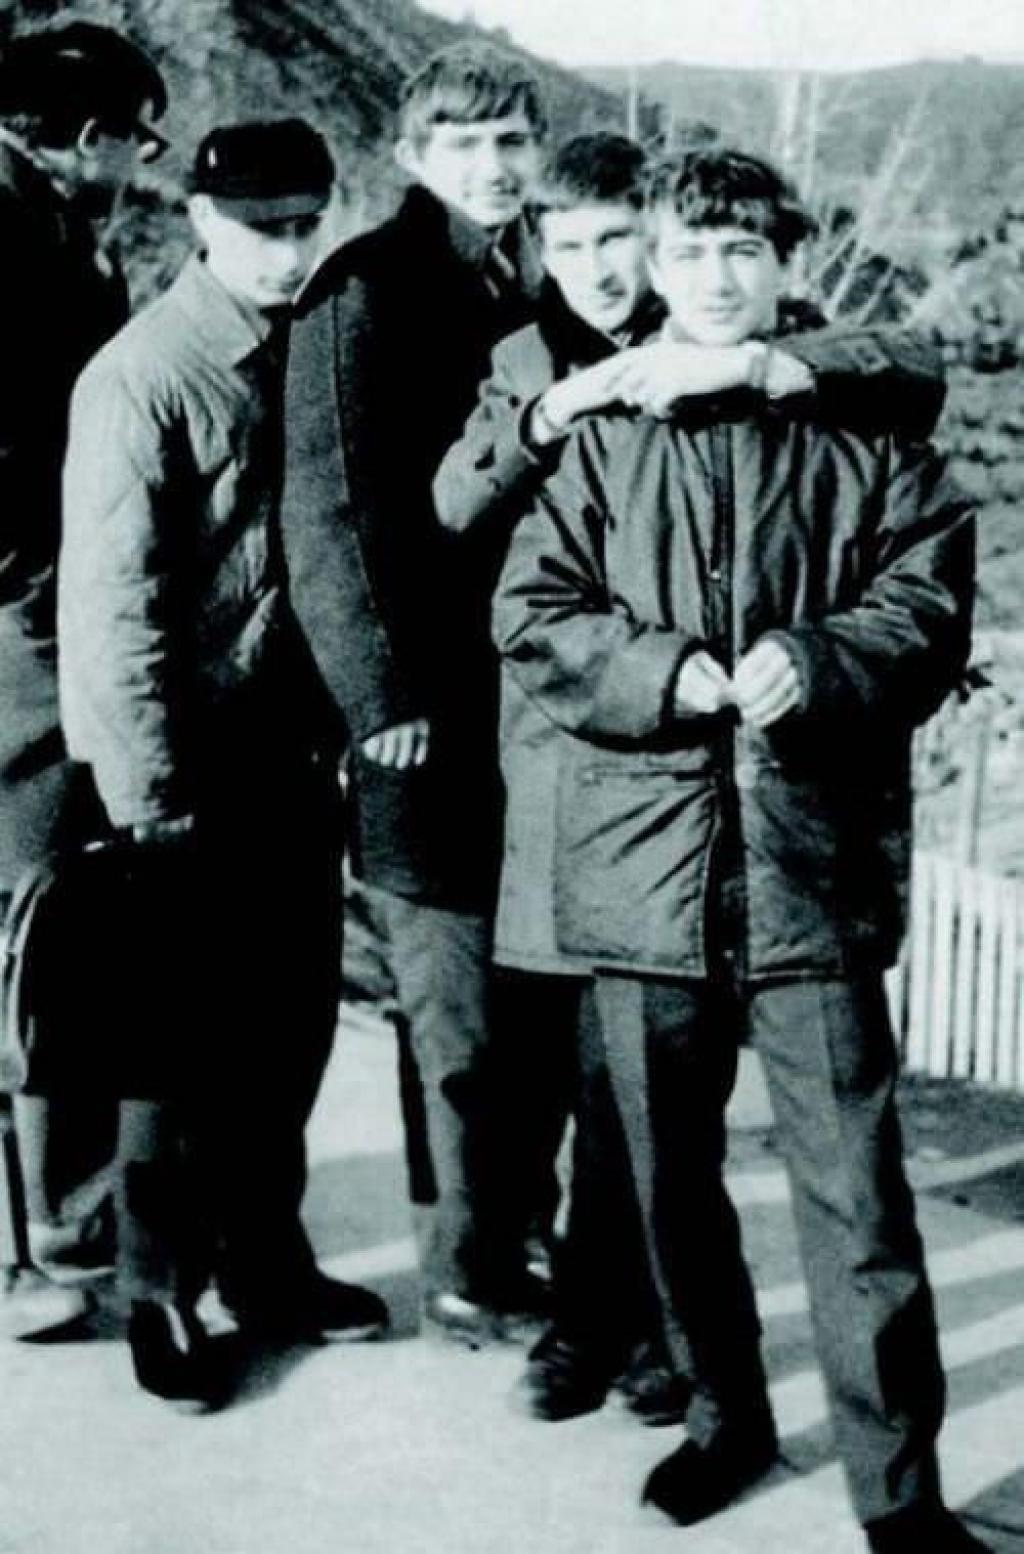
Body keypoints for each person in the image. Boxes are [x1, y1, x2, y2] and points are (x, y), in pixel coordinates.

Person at [493, 147, 984, 1553]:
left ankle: (898, 1492)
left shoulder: (863, 435)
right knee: (668, 1184)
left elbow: (929, 600)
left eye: (742, 253)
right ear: (652, 265)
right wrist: (661, 671)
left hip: (808, 873)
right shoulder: (602, 437)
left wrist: (817, 659)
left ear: (785, 267)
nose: (714, 278)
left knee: (859, 1198)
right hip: (640, 876)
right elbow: (532, 611)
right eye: (689, 252)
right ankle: (725, 1419)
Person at [58, 119, 387, 1410]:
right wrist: (145, 792)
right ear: (201, 222)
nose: (289, 251)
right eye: (263, 228)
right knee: (171, 1047)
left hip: (289, 754)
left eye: (307, 223)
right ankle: (158, 1288)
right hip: (182, 767)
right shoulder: (142, 376)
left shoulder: (315, 344)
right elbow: (113, 604)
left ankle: (264, 1264)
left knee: (285, 1028)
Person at [280, 41, 557, 1345]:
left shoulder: (530, 272)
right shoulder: (366, 286)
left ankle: (510, 1234)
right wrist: (378, 698)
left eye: (514, 141)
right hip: (420, 714)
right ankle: (465, 1267)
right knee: (455, 1016)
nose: (496, 167)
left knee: (520, 1002)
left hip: (523, 702)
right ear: (413, 154)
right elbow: (329, 516)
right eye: (467, 145)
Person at [0, 20, 168, 1340]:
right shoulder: (15, 242)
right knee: (37, 926)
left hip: (40, 606)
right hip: (26, 623)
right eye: (135, 138)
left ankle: (57, 1216)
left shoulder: (50, 227)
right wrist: (36, 585)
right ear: (88, 136)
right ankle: (40, 1241)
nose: (140, 162)